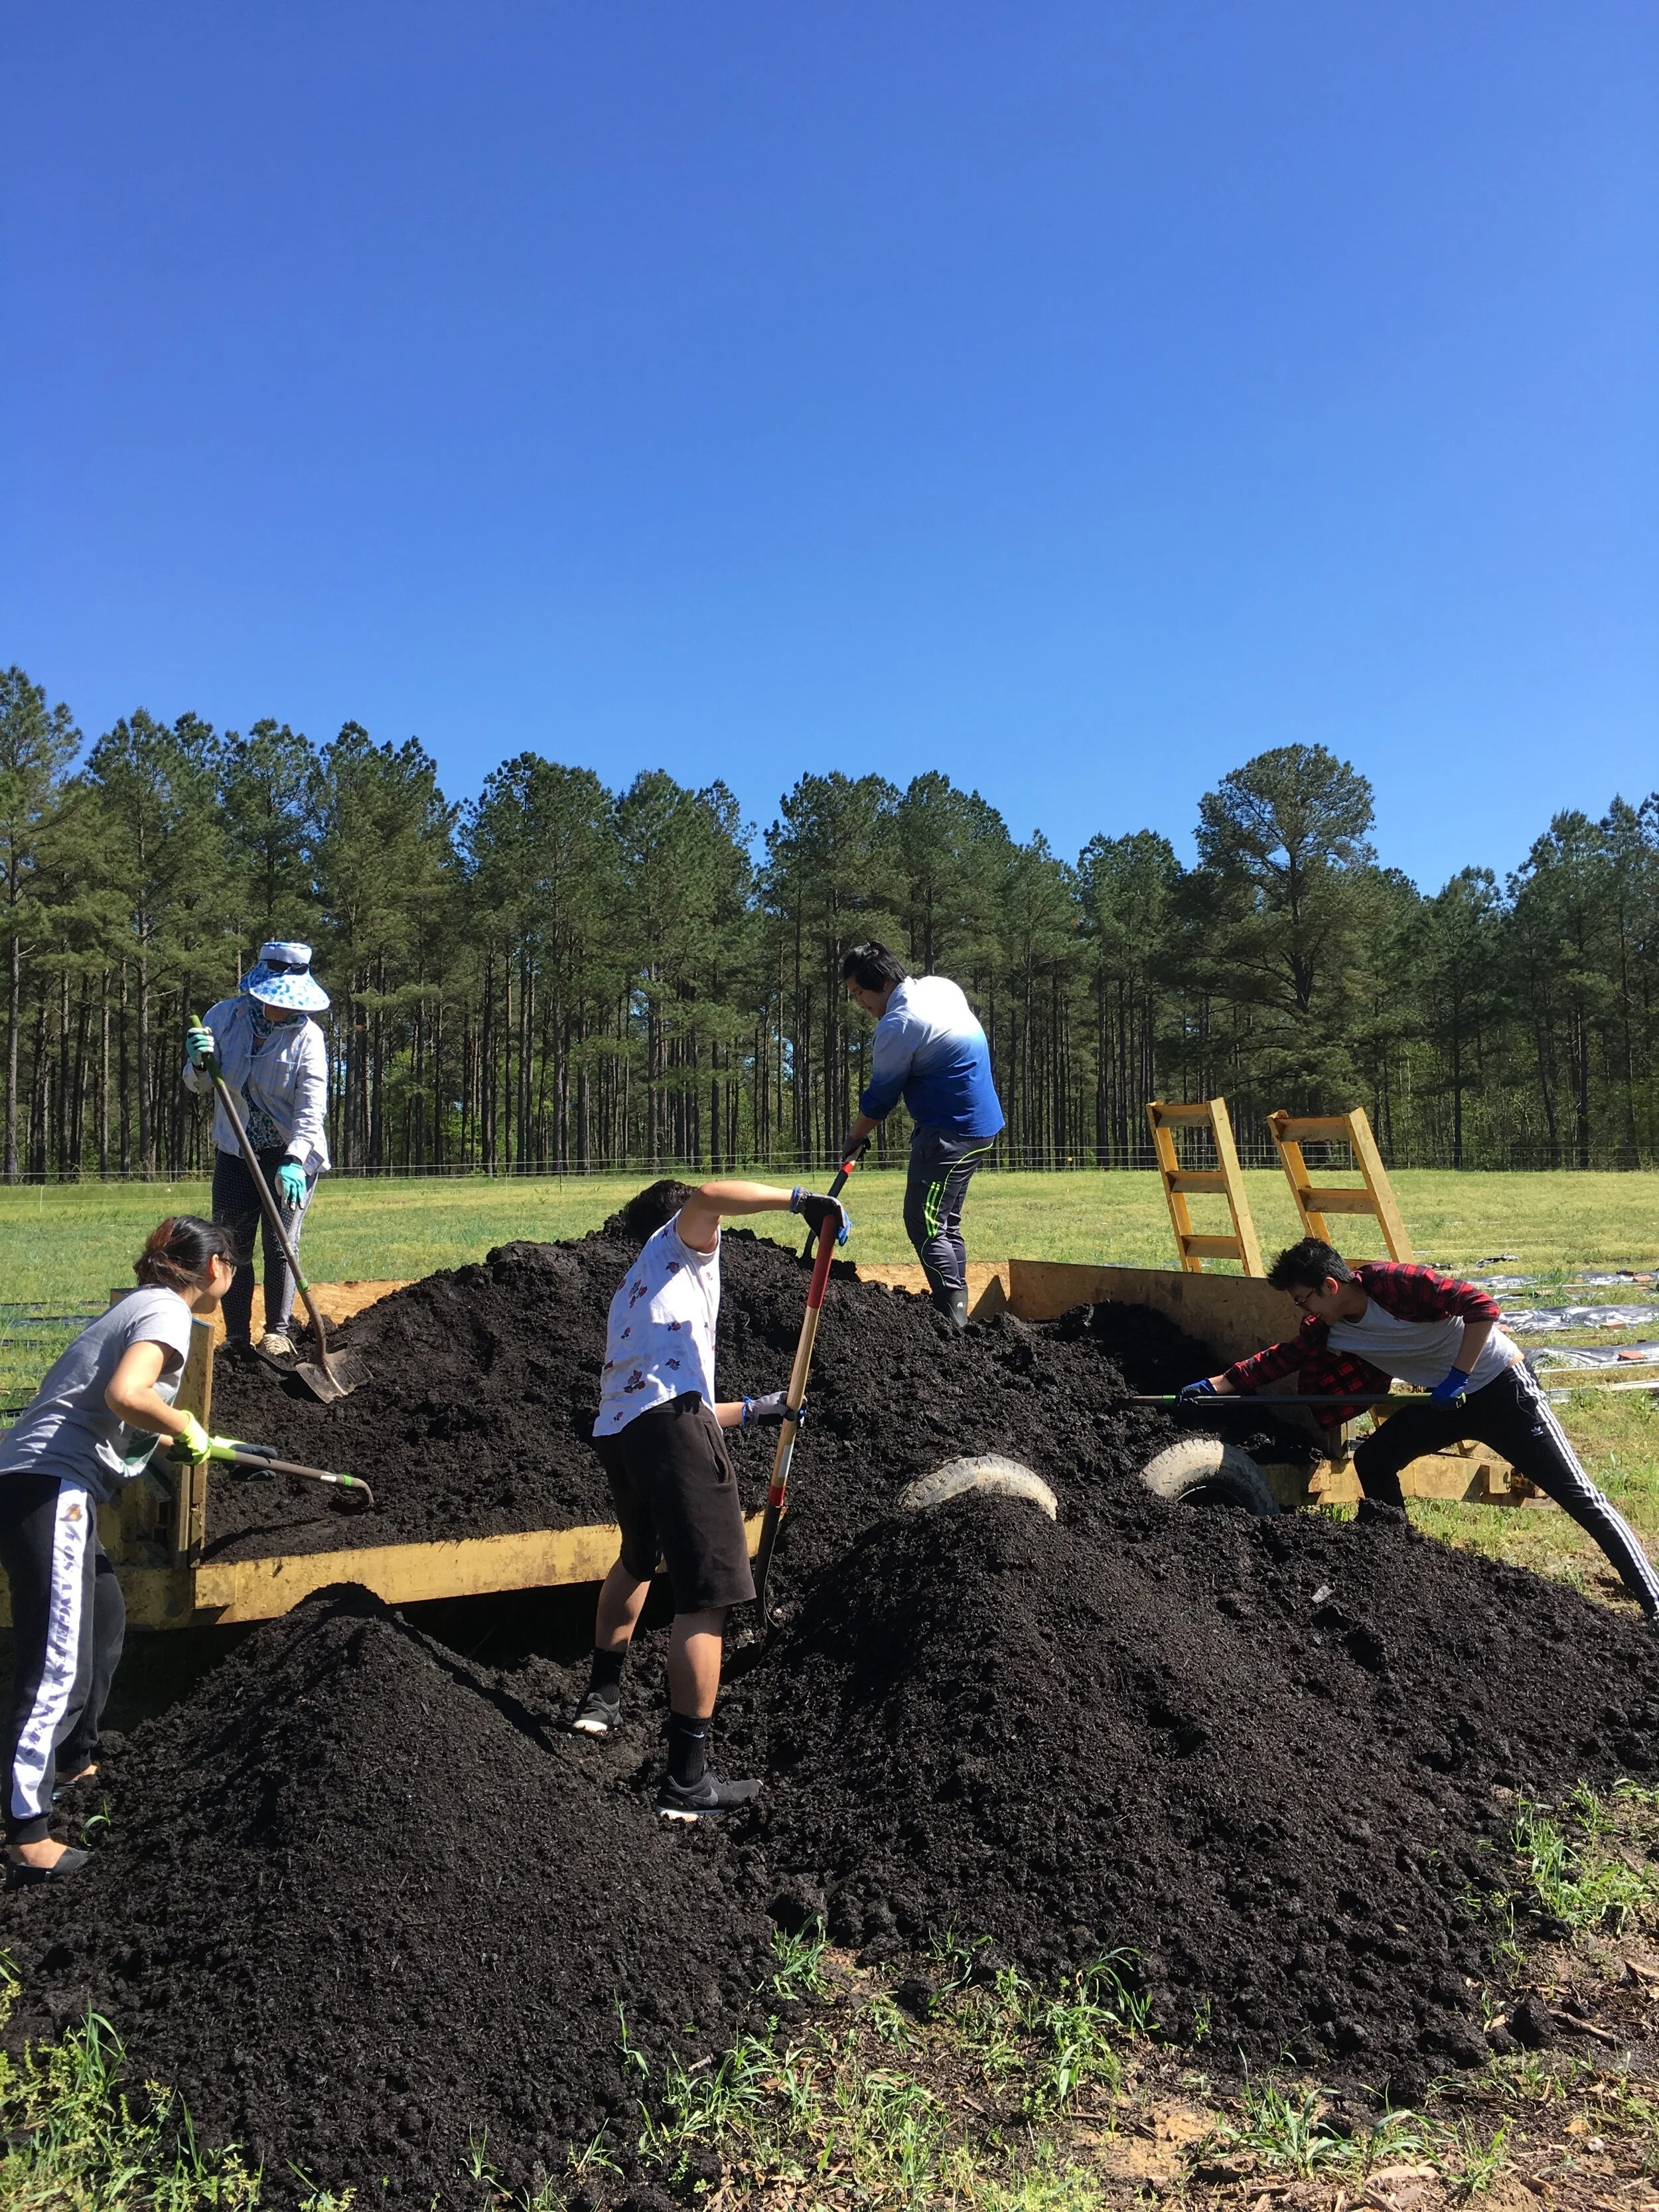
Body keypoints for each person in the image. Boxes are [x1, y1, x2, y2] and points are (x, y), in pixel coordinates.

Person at [1184, 1236, 1659, 1619]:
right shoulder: (1326, 1329)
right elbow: (1281, 1359)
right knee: (1374, 1459)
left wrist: (1457, 1375)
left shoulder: (1394, 1284)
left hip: (1502, 1390)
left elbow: (1481, 1306)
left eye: (1304, 1299)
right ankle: (1399, 1561)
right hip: (1445, 1402)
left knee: (1577, 1493)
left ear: (1330, 1286)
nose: (1303, 1311)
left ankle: (1653, 1600)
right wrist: (1216, 1383)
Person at [571, 1175, 847, 1820]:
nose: (716, 1233)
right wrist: (803, 1202)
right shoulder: (683, 1242)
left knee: (638, 1559)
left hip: (622, 1432)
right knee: (708, 1598)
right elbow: (712, 1194)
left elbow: (666, 1395)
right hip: (670, 1430)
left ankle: (601, 1700)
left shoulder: (635, 1289)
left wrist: (756, 1410)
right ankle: (687, 1784)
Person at [0, 1217, 252, 1881]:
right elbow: (126, 1396)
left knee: (105, 1621)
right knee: (56, 1660)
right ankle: (26, 1837)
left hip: (42, 1480)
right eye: (235, 1264)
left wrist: (209, 1446)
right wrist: (182, 1419)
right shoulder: (168, 1313)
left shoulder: (144, 1305)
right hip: (52, 1486)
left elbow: (111, 1414)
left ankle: (78, 1766)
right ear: (217, 1267)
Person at [838, 940, 1005, 1329]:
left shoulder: (898, 1023)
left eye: (858, 992)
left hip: (949, 1132)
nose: (859, 1003)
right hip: (979, 1125)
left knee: (924, 1221)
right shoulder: (938, 987)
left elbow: (881, 1096)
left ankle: (952, 1319)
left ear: (878, 983)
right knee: (945, 1221)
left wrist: (854, 1136)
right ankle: (957, 1308)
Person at [183, 940, 330, 1357]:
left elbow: (310, 1109)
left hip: (290, 1155)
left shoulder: (308, 1037)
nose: (286, 1010)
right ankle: (235, 1337)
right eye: (277, 1001)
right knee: (232, 1245)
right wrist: (197, 1063)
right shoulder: (222, 1018)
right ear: (257, 990)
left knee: (282, 1242)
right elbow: (199, 1084)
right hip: (236, 1149)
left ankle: (278, 1333)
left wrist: (295, 1160)